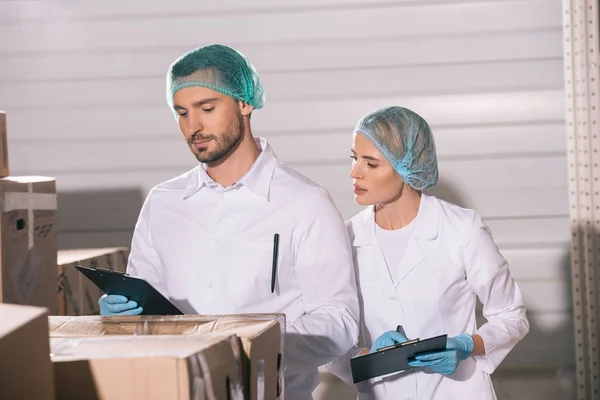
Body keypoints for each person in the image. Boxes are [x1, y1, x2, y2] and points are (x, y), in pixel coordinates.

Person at [98, 44, 359, 399]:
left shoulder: (305, 202)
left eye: (207, 108)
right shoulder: (163, 203)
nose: (194, 126)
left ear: (244, 103)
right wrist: (122, 317)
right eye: (182, 113)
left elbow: (339, 323)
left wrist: (255, 345)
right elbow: (148, 308)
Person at [326, 106, 529, 399]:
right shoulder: (347, 238)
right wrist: (367, 355)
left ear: (405, 165)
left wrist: (468, 345)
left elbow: (512, 316)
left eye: (370, 164)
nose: (354, 173)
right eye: (354, 158)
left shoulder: (462, 230)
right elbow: (329, 342)